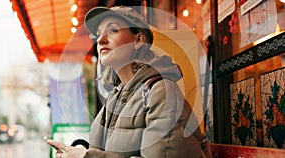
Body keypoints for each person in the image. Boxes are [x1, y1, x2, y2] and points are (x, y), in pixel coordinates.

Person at [47, 5, 208, 158]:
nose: (101, 40)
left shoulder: (162, 91)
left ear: (138, 40)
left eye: (112, 30)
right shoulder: (115, 97)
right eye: (98, 34)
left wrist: (86, 156)